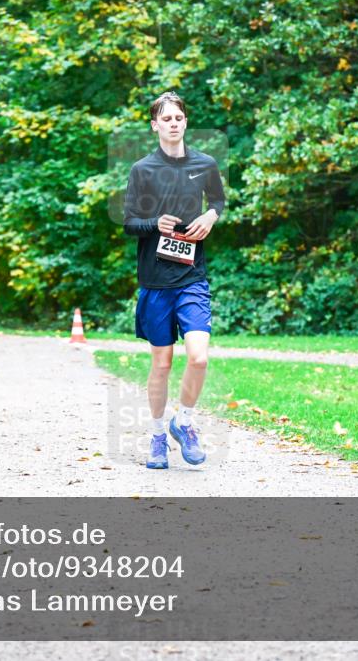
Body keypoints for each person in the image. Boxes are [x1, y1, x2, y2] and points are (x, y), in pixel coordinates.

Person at [123, 91, 226, 470]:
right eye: (165, 119)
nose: (173, 123)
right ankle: (155, 438)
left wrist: (210, 218)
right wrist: (155, 224)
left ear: (185, 121)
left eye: (178, 118)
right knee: (162, 364)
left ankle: (183, 422)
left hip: (191, 277)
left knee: (198, 356)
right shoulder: (142, 169)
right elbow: (129, 222)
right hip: (155, 280)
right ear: (154, 125)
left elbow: (218, 201)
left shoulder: (205, 164)